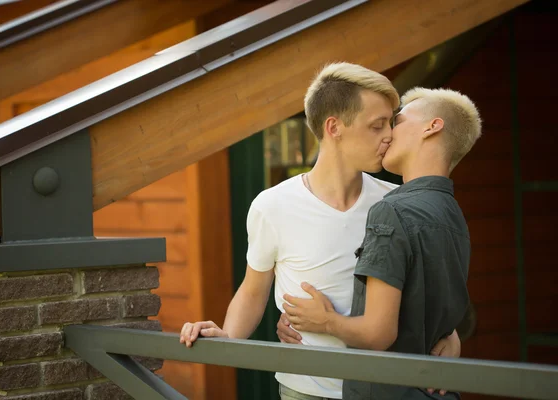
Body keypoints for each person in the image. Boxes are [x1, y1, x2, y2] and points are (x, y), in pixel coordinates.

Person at [179, 63, 461, 400]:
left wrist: (450, 334)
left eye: (391, 122)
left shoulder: (394, 203)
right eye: (377, 125)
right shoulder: (272, 205)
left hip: (383, 391)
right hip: (305, 391)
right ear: (334, 127)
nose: (389, 134)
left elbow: (424, 286)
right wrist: (226, 337)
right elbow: (253, 291)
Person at [282, 87, 481, 399]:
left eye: (397, 122)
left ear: (433, 126)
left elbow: (378, 334)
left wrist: (325, 321)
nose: (387, 134)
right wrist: (451, 336)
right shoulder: (453, 214)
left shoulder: (392, 210)